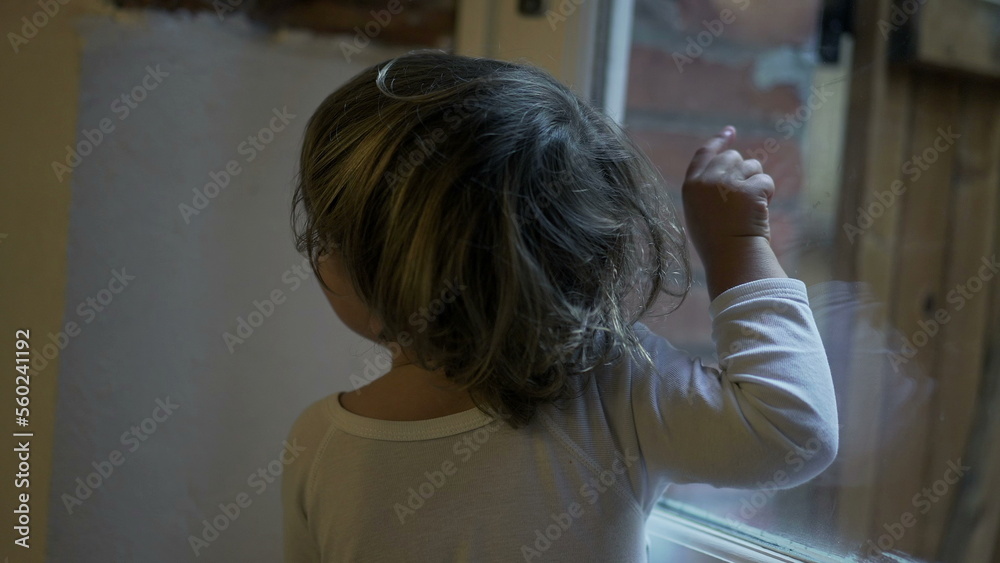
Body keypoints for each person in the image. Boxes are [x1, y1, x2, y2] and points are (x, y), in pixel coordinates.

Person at [282, 51, 838, 562]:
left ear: (381, 267)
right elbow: (793, 434)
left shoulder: (319, 445)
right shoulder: (612, 389)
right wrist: (737, 248)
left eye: (326, 236)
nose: (315, 253)